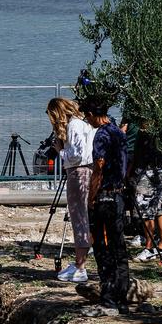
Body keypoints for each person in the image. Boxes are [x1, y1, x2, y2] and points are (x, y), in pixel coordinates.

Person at [84, 99, 131, 310]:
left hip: (105, 196)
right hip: (119, 195)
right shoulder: (119, 133)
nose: (87, 119)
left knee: (102, 248)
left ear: (94, 114)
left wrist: (91, 197)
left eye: (87, 115)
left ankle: (108, 296)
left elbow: (99, 167)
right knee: (119, 247)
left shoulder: (101, 135)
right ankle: (123, 297)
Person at [47, 96, 95, 285]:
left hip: (78, 172)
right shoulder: (83, 123)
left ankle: (80, 266)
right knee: (82, 217)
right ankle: (79, 263)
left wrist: (60, 149)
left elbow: (75, 155)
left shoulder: (73, 126)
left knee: (78, 218)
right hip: (87, 171)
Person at [127, 120, 162, 263]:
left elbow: (138, 155)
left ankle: (150, 248)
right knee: (159, 208)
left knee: (147, 211)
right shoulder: (161, 130)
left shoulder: (146, 133)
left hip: (146, 173)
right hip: (158, 171)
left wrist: (130, 172)